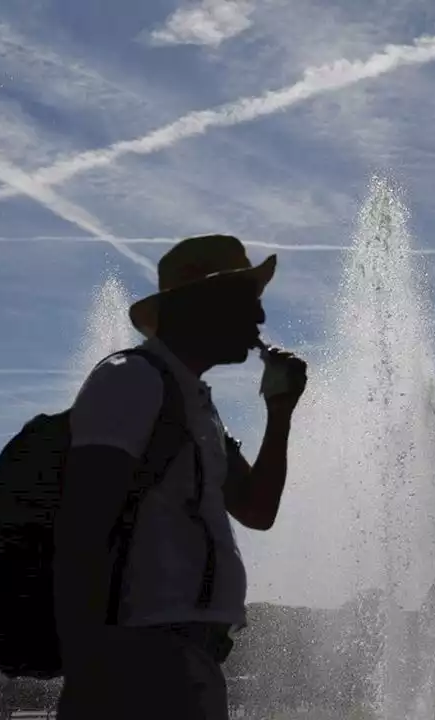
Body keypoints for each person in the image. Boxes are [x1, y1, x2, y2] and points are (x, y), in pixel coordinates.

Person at [53, 235, 308, 719]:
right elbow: (80, 527)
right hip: (142, 657)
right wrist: (93, 666)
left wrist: (280, 412)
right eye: (248, 303)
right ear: (203, 306)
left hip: (185, 657)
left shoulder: (196, 404)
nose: (260, 321)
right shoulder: (131, 379)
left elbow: (257, 510)